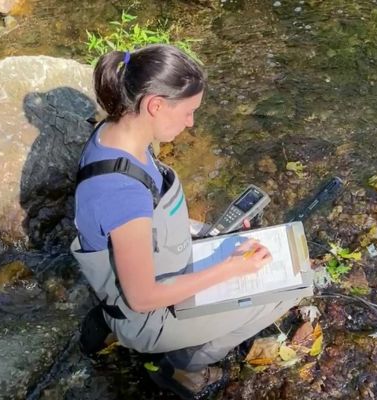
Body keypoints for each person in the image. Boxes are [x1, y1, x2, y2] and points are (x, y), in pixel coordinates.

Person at [71, 44, 302, 399]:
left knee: (255, 255)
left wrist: (205, 234)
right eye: (189, 112)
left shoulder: (117, 136)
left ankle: (113, 326)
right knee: (291, 287)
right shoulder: (121, 193)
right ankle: (179, 365)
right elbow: (143, 296)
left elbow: (144, 222)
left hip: (156, 271)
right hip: (147, 315)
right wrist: (230, 269)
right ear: (155, 105)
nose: (191, 123)